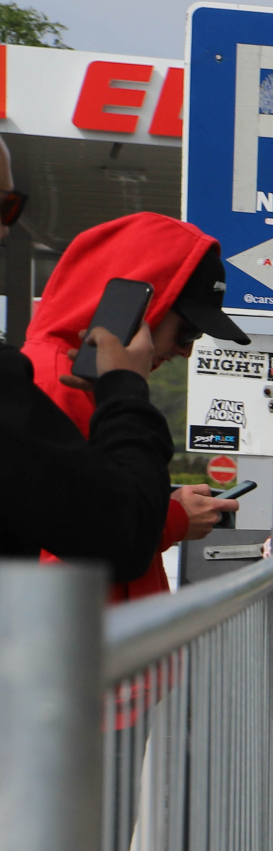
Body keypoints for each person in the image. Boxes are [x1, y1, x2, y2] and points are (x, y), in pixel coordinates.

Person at [24, 211, 253, 598]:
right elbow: (88, 542)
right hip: (82, 647)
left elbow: (87, 511)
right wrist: (170, 520)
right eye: (188, 330)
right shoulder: (53, 383)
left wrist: (156, 509)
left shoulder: (82, 382)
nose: (186, 351)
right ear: (142, 311)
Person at [0, 139, 190, 580]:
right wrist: (126, 393)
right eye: (4, 208)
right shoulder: (43, 380)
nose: (7, 230)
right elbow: (116, 534)